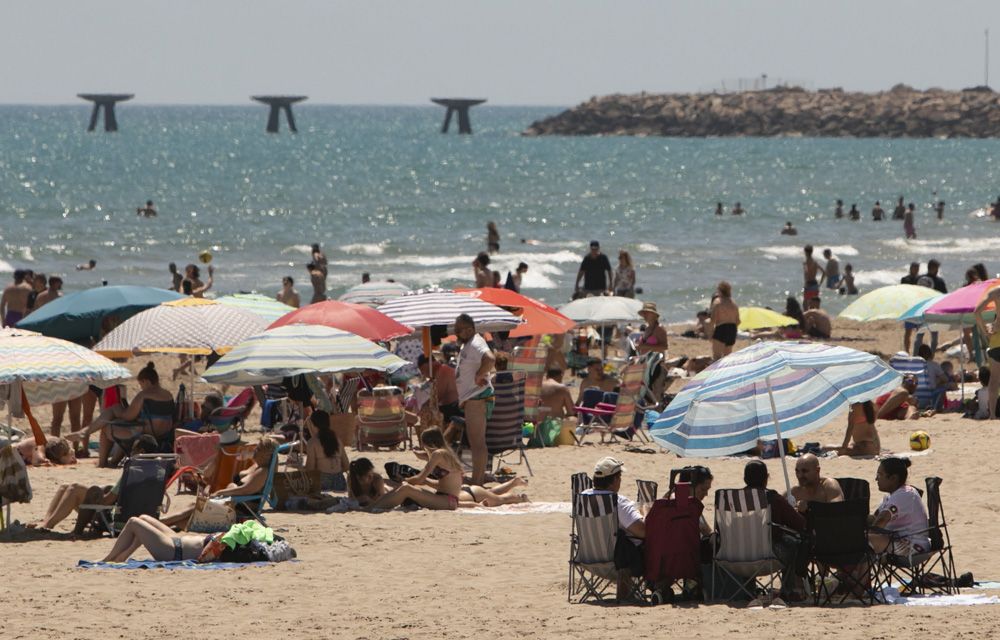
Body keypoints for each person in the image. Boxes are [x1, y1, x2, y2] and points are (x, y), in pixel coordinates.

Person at [30, 435, 159, 533]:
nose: (130, 454)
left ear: (141, 451)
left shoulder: (132, 471)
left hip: (118, 519)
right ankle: (46, 521)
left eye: (133, 450)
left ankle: (47, 525)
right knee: (65, 486)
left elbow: (107, 501)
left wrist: (96, 492)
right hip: (143, 517)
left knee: (74, 488)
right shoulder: (158, 471)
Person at [67, 362, 176, 467]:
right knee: (113, 416)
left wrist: (118, 408)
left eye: (141, 384)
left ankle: (101, 461)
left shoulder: (144, 395)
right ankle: (109, 456)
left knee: (106, 426)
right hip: (163, 434)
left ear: (146, 381)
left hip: (143, 434)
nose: (141, 387)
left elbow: (128, 416)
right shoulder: (168, 395)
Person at [581, 457, 646, 598]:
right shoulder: (618, 502)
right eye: (620, 477)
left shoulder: (583, 497)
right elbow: (642, 532)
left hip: (586, 558)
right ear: (615, 480)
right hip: (616, 562)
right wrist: (644, 512)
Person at [742, 460, 807, 601]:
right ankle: (788, 590)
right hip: (768, 555)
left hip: (736, 556)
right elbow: (799, 523)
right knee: (793, 543)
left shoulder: (733, 500)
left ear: (745, 479)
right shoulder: (772, 498)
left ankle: (745, 589)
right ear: (766, 478)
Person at [369, 428, 465, 510]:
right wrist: (425, 481)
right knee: (406, 487)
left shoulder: (438, 454)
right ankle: (375, 505)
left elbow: (419, 479)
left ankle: (374, 507)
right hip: (449, 499)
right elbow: (445, 485)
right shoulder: (446, 454)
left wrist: (404, 479)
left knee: (406, 488)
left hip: (446, 500)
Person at [453, 314, 495, 485]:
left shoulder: (476, 343)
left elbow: (490, 358)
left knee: (477, 442)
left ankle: (478, 481)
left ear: (470, 329)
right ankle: (478, 477)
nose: (457, 333)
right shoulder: (469, 344)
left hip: (477, 396)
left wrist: (480, 374)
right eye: (456, 329)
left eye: (459, 329)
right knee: (475, 441)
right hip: (472, 397)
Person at [868, 458, 930, 556]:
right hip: (898, 540)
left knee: (865, 541)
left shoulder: (905, 494)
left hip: (913, 546)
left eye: (880, 475)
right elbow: (875, 518)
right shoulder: (890, 496)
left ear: (893, 478)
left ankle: (857, 571)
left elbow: (881, 520)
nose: (876, 479)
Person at [99, 514, 215, 563]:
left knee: (133, 522)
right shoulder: (231, 533)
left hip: (173, 551)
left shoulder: (228, 542)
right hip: (177, 540)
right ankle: (122, 556)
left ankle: (108, 559)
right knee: (143, 518)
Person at [301, 410, 349, 492]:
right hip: (339, 481)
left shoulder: (312, 443)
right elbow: (346, 465)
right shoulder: (337, 440)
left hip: (322, 481)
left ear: (313, 425)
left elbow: (310, 469)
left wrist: (299, 467)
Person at [975, 285, 1000, 419]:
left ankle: (993, 415)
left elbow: (977, 312)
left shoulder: (996, 292)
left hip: (996, 339)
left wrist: (985, 331)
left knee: (994, 379)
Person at [914, 259, 947, 353]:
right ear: (933, 268)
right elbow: (944, 296)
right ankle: (930, 356)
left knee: (921, 335)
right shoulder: (939, 281)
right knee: (933, 337)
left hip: (922, 310)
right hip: (932, 311)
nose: (937, 271)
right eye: (936, 268)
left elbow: (914, 293)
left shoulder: (919, 279)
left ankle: (916, 355)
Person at [417, 354, 460, 425]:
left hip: (453, 408)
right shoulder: (439, 372)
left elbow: (437, 397)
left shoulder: (443, 370)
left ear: (428, 364)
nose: (422, 373)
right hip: (449, 407)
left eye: (422, 370)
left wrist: (424, 406)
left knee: (427, 412)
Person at [709, 281, 739, 360]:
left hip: (722, 328)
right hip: (732, 329)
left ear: (719, 290)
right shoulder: (733, 303)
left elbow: (713, 319)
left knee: (717, 357)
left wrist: (711, 333)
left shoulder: (717, 302)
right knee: (727, 359)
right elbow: (738, 321)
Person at [901, 261, 922, 352]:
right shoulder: (905, 279)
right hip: (909, 307)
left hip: (919, 307)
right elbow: (903, 292)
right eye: (914, 268)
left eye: (917, 268)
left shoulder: (921, 279)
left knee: (920, 332)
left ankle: (917, 351)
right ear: (910, 268)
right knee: (908, 331)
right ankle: (907, 350)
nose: (916, 270)